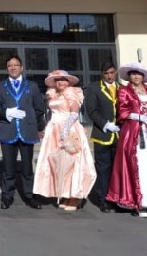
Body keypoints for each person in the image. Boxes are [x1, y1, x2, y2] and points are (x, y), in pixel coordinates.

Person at [105, 62, 147, 217]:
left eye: (139, 74)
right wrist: (139, 117)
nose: (136, 77)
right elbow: (122, 112)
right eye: (133, 74)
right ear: (129, 76)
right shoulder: (124, 91)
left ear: (143, 76)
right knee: (140, 164)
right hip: (134, 132)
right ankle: (140, 203)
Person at [33, 69, 96, 210]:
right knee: (59, 163)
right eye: (57, 80)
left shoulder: (71, 93)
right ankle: (65, 194)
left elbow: (74, 113)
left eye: (63, 79)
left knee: (73, 163)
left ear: (68, 82)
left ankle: (75, 197)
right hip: (54, 131)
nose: (60, 82)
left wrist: (65, 129)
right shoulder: (53, 94)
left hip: (69, 129)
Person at [0, 54, 47, 210]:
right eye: (10, 65)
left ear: (21, 68)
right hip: (8, 131)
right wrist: (7, 112)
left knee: (27, 168)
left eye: (16, 65)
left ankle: (29, 196)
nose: (13, 67)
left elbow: (39, 108)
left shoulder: (32, 86)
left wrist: (29, 120)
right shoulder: (0, 86)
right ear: (7, 69)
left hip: (27, 131)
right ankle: (7, 196)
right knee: (8, 168)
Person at [83, 62, 121, 212]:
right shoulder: (94, 88)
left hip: (119, 135)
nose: (109, 76)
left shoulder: (122, 88)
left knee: (116, 169)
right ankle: (103, 199)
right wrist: (105, 124)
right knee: (103, 169)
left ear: (116, 72)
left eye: (112, 72)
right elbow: (92, 111)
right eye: (106, 73)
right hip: (102, 134)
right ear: (102, 74)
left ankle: (115, 197)